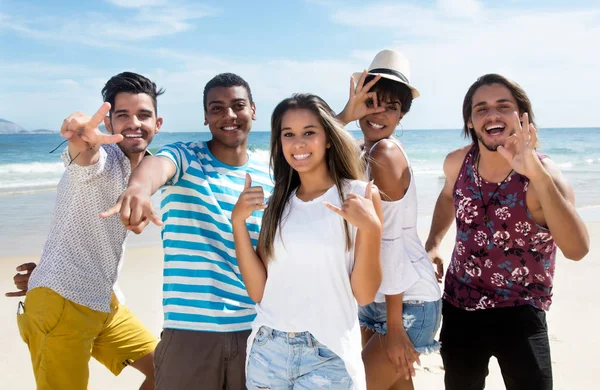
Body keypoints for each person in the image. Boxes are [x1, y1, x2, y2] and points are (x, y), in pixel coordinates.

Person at [101, 73, 274, 389]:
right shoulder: (185, 157)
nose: (229, 116)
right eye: (217, 108)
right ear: (206, 117)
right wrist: (138, 190)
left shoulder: (270, 176)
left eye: (237, 106)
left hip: (256, 331)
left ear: (253, 110)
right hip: (189, 333)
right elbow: (155, 168)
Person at [424, 73, 590, 390]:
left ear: (522, 117)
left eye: (503, 105)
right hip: (460, 304)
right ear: (470, 122)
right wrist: (433, 244)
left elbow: (578, 250)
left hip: (521, 309)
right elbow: (448, 197)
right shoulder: (457, 163)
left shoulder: (545, 174)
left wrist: (536, 174)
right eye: (481, 109)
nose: (492, 114)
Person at [6, 72, 163, 389]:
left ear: (158, 123)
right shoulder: (100, 159)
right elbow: (84, 150)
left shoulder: (148, 168)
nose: (134, 123)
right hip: (62, 305)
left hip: (105, 302)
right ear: (108, 125)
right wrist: (79, 129)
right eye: (122, 115)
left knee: (169, 370)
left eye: (143, 114)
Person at [232, 93, 383, 390]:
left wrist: (372, 230)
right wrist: (237, 222)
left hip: (329, 352)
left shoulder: (360, 196)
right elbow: (258, 290)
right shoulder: (277, 202)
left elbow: (364, 295)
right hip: (268, 349)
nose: (298, 143)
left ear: (328, 138)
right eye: (288, 134)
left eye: (309, 133)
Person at [337, 49, 442, 390]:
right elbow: (311, 145)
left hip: (406, 302)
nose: (379, 113)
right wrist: (345, 114)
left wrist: (395, 327)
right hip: (376, 299)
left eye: (392, 107)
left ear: (401, 116)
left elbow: (390, 241)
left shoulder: (385, 153)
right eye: (372, 102)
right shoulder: (360, 151)